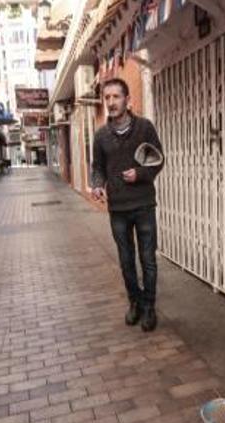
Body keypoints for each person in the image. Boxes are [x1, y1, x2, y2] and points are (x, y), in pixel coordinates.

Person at [90, 78, 164, 332]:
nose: (111, 102)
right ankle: (135, 303)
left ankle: (150, 307)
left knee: (148, 260)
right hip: (118, 209)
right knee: (126, 260)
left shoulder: (144, 128)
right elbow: (97, 168)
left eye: (116, 97)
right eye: (107, 97)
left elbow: (158, 160)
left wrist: (140, 174)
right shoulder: (101, 136)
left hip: (144, 204)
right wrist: (98, 184)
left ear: (127, 100)